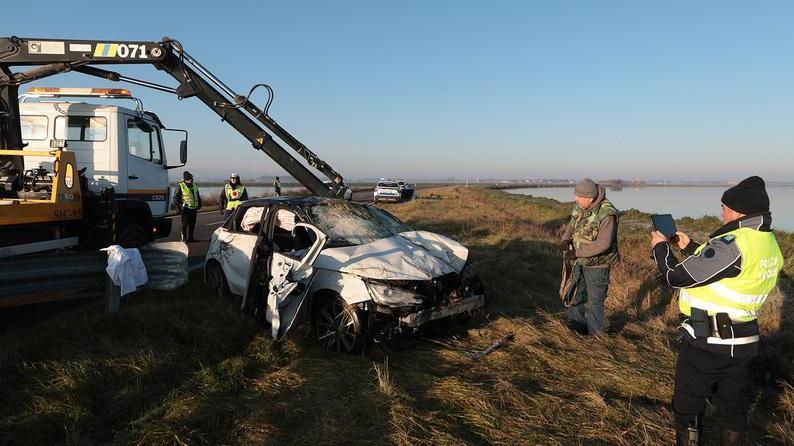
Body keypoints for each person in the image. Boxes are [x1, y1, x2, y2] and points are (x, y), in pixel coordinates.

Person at [651, 176, 783, 445]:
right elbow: (729, 270)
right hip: (743, 340)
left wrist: (660, 247)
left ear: (738, 210)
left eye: (723, 206)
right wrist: (690, 247)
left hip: (709, 340)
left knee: (687, 406)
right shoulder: (766, 242)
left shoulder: (733, 242)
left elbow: (676, 277)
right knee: (731, 406)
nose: (720, 211)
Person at [560, 178, 620, 336]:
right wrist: (565, 239)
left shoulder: (607, 213)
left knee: (595, 301)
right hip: (579, 262)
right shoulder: (580, 206)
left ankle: (595, 336)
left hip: (598, 266)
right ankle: (575, 326)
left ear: (591, 198)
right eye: (576, 195)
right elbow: (572, 223)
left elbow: (603, 244)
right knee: (575, 294)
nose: (576, 199)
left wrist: (577, 253)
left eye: (579, 196)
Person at [173, 171, 201, 242]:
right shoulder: (180, 185)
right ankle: (184, 238)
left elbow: (197, 195)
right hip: (185, 208)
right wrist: (178, 208)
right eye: (189, 179)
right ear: (185, 179)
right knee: (185, 224)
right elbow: (175, 198)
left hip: (194, 208)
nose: (190, 180)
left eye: (191, 178)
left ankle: (191, 237)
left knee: (192, 223)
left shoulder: (194, 185)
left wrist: (199, 204)